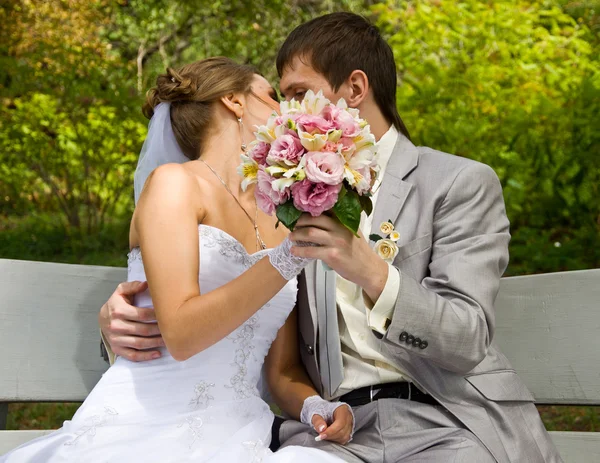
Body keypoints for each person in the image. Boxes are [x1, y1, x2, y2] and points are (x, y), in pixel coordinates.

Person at [99, 14, 563, 463]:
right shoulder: (282, 200)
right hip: (337, 435)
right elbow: (229, 305)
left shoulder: (456, 183)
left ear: (355, 89)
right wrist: (119, 320)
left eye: (299, 93)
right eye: (281, 96)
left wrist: (374, 273)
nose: (288, 111)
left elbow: (467, 339)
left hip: (447, 419)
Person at [0, 57, 354, 462]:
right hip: (145, 425)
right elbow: (182, 335)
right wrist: (289, 258)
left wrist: (316, 407)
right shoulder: (174, 184)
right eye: (271, 96)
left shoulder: (281, 216)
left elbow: (282, 371)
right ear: (234, 101)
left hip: (239, 431)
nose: (283, 110)